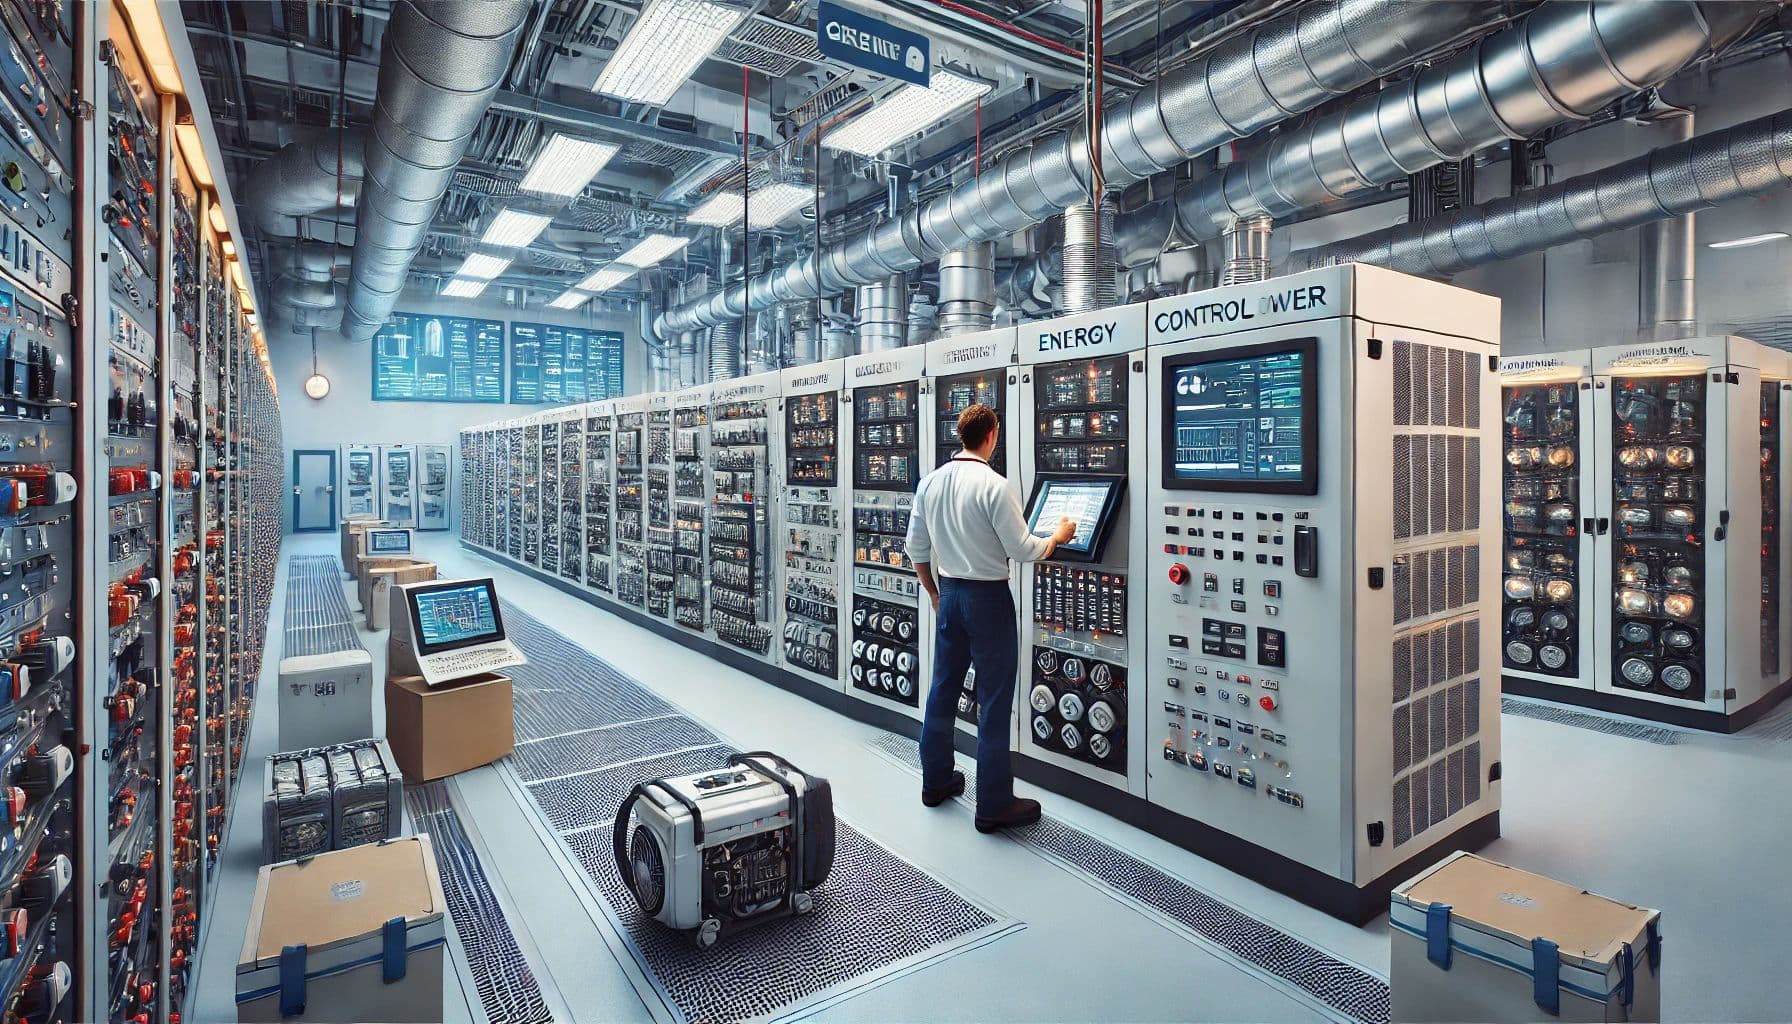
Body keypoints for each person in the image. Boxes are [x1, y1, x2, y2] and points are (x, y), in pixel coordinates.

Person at [904, 404, 1076, 832]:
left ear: (961, 435)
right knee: (994, 702)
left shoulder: (930, 482)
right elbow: (1022, 550)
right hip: (988, 599)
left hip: (951, 594)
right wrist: (1058, 536)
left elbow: (915, 549)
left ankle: (936, 780)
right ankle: (994, 804)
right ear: (992, 435)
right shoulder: (995, 486)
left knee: (942, 690)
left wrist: (934, 595)